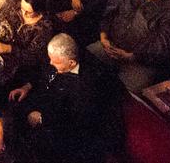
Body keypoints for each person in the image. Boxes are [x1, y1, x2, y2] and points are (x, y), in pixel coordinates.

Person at [8, 33, 114, 163]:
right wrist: (27, 87)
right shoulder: (56, 58)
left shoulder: (87, 87)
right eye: (50, 59)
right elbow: (42, 72)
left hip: (58, 126)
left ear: (71, 62)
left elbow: (74, 121)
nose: (51, 63)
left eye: (55, 62)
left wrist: (42, 118)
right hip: (41, 99)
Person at [89, 0, 170, 91]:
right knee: (87, 62)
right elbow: (109, 12)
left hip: (140, 61)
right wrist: (103, 37)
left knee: (124, 93)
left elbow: (162, 46)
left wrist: (132, 56)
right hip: (110, 46)